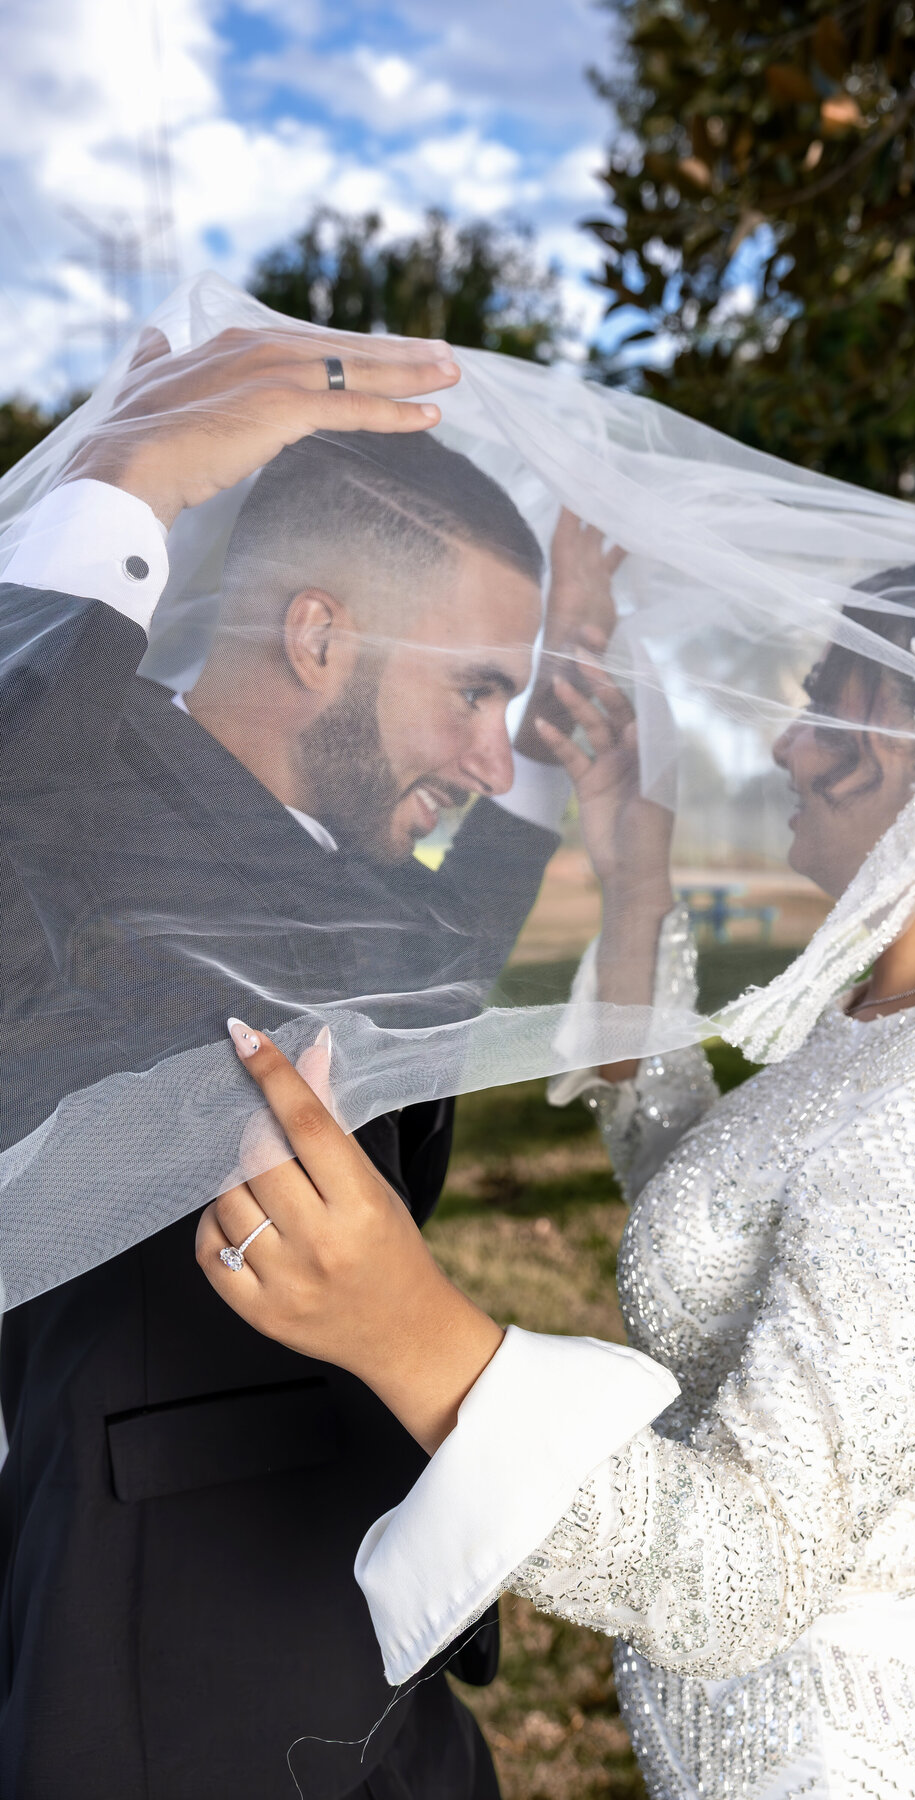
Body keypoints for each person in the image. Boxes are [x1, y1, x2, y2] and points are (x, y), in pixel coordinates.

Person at [195, 561, 915, 1800]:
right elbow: (748, 1224)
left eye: (826, 692)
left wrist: (411, 1334)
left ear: (899, 744)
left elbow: (740, 1575)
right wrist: (636, 876)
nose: (786, 740)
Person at [0, 325, 618, 1800]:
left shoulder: (338, 860)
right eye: (474, 690)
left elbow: (436, 967)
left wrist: (545, 723)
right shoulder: (74, 807)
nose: (488, 753)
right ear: (321, 636)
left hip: (375, 1668)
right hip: (166, 1673)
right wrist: (124, 492)